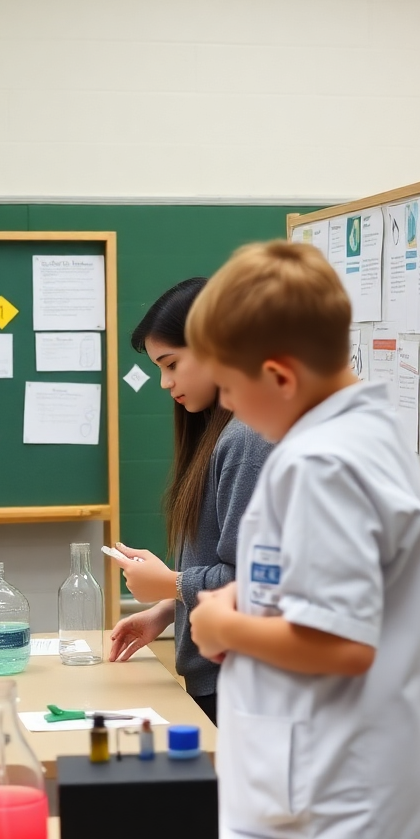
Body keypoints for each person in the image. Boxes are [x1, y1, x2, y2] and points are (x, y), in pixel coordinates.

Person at [185, 242, 420, 839]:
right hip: (335, 785)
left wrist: (223, 627)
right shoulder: (360, 434)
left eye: (230, 390)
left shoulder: (318, 464)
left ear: (279, 376)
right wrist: (241, 602)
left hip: (336, 792)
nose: (226, 406)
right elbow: (311, 582)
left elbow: (342, 642)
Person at [108, 278, 271, 725]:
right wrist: (166, 610)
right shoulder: (225, 433)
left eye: (172, 364)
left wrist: (172, 584)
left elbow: (254, 583)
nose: (165, 383)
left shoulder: (247, 439)